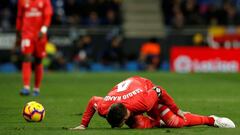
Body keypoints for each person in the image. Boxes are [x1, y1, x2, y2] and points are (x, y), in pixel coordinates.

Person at [71, 76, 235, 129]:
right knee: (138, 126)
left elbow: (159, 90)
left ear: (126, 114)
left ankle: (212, 120)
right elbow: (93, 99)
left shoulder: (143, 103)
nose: (123, 125)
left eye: (122, 122)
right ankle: (159, 121)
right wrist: (83, 125)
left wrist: (176, 109)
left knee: (174, 122)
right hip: (129, 94)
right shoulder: (104, 107)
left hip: (146, 88)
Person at [16, 0, 53, 96]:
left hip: (40, 35)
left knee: (38, 60)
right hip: (26, 33)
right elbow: (20, 16)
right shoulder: (22, 1)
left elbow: (47, 15)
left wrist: (43, 30)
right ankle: (26, 87)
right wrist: (18, 30)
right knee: (26, 57)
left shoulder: (45, 1)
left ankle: (36, 88)